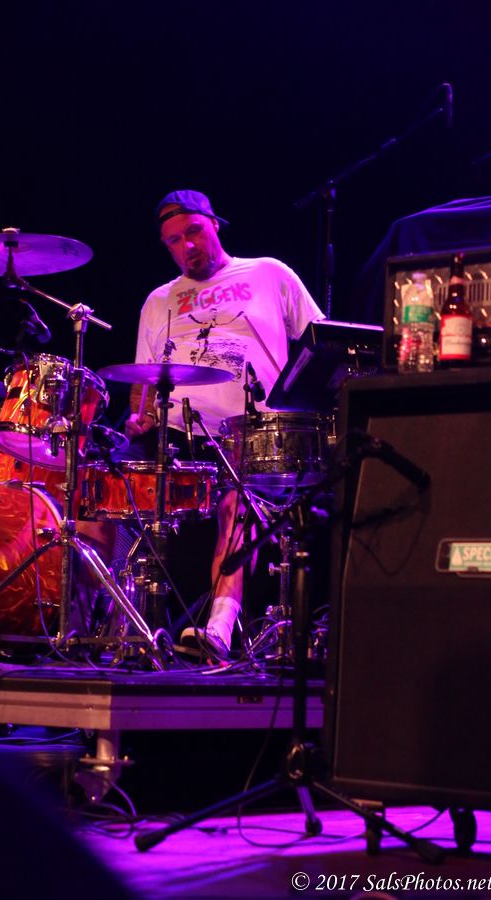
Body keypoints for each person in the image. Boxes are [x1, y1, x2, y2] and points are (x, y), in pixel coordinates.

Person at [125, 189, 324, 658]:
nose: (187, 247)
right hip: (176, 436)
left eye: (194, 232)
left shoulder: (268, 273)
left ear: (215, 224)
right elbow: (143, 382)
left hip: (251, 433)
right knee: (103, 495)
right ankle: (104, 627)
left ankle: (218, 628)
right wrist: (139, 417)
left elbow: (321, 342)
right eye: (174, 241)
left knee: (237, 504)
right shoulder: (158, 300)